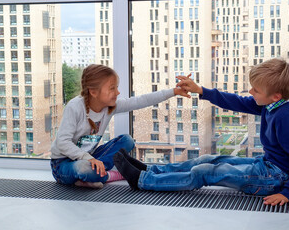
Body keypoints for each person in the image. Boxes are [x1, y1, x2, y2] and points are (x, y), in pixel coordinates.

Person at [114, 58, 289, 206]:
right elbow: (236, 101)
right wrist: (201, 90)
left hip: (274, 180)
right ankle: (151, 170)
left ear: (275, 96)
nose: (250, 92)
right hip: (267, 165)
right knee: (207, 159)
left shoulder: (288, 119)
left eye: (255, 90)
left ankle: (142, 181)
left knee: (205, 172)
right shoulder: (274, 104)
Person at [50, 64, 190, 188]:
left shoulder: (110, 106)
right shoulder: (75, 107)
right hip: (63, 164)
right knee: (84, 168)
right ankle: (113, 175)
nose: (117, 92)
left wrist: (174, 92)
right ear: (93, 92)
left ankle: (94, 176)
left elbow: (141, 100)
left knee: (127, 140)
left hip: (90, 158)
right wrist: (88, 159)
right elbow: (62, 142)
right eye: (112, 88)